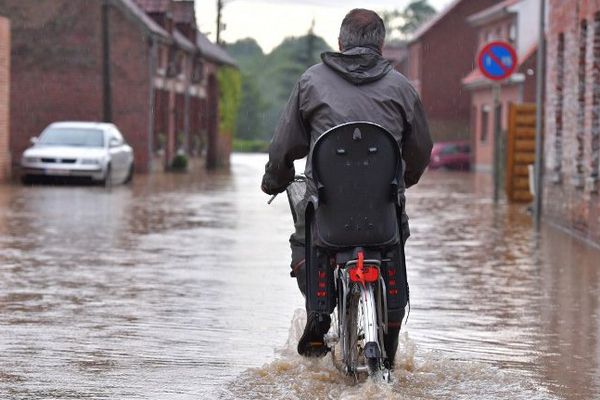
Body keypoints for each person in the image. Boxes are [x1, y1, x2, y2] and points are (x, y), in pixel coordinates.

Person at [261, 9, 432, 365]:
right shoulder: (403, 88)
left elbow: (283, 147)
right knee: (396, 237)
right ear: (382, 46)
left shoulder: (311, 82)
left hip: (329, 214)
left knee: (303, 239)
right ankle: (390, 324)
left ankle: (318, 315)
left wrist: (274, 180)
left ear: (340, 43)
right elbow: (420, 151)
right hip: (381, 213)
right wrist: (404, 182)